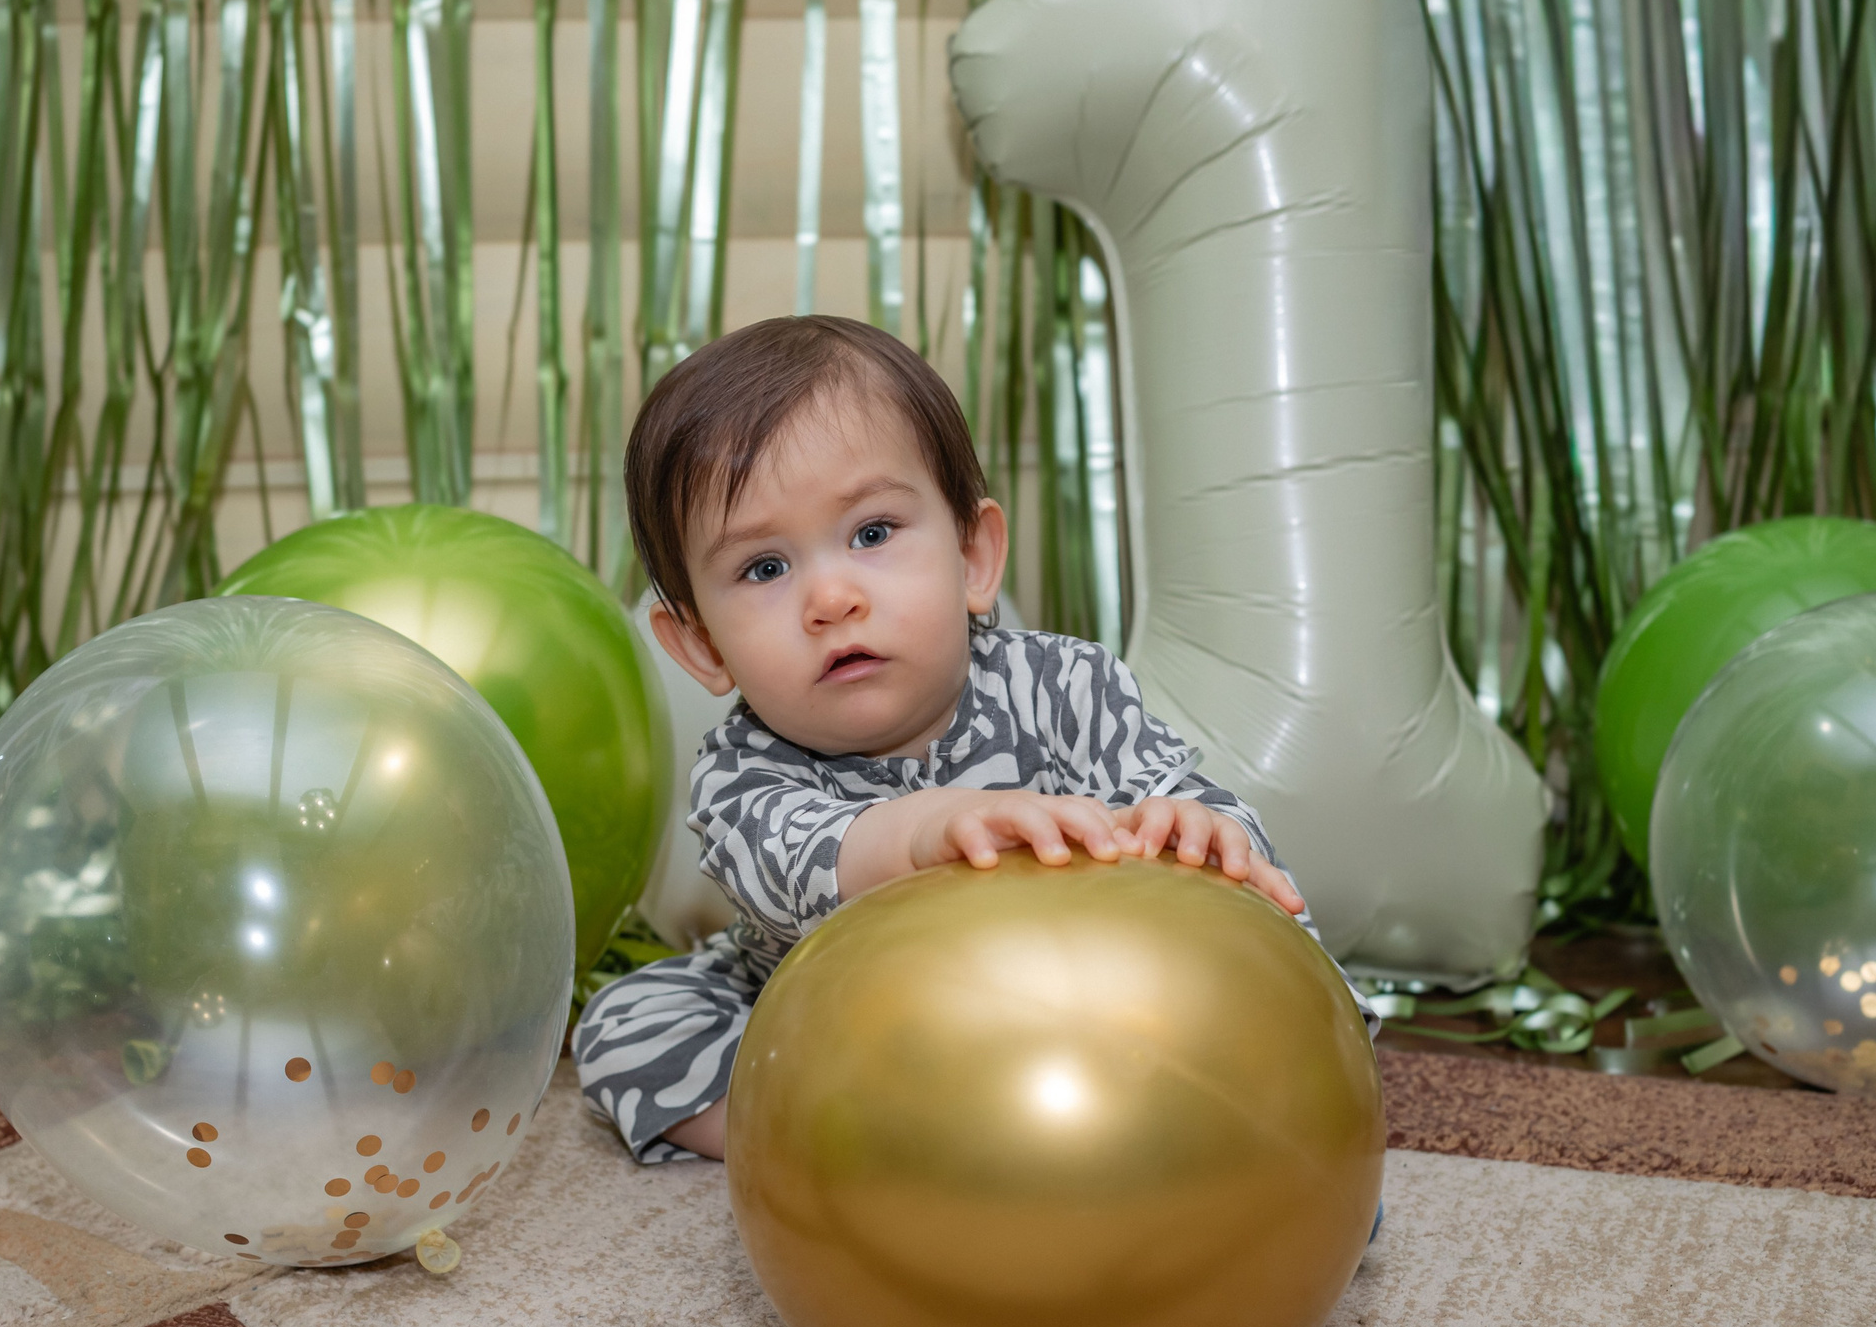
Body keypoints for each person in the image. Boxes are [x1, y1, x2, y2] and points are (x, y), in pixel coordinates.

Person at [574, 314, 1348, 1164]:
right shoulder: (739, 770)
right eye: (764, 568)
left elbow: (1168, 790)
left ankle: (1268, 1139)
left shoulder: (1064, 685)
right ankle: (826, 1138)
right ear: (703, 647)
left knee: (1281, 947)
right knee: (626, 1023)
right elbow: (796, 864)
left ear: (974, 555)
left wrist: (1200, 828)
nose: (830, 598)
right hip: (832, 1027)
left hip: (1091, 1000)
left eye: (872, 533)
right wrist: (920, 832)